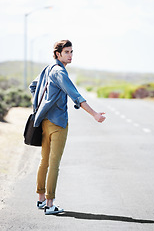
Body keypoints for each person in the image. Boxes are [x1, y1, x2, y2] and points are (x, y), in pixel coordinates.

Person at [29, 40, 106, 215]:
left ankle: (41, 200)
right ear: (58, 54)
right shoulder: (60, 72)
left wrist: (42, 105)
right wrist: (94, 114)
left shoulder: (48, 69)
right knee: (54, 164)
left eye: (72, 52)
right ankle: (50, 205)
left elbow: (33, 86)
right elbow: (75, 95)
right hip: (58, 124)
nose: (70, 55)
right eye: (67, 52)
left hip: (44, 122)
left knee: (44, 162)